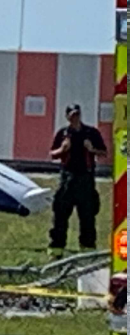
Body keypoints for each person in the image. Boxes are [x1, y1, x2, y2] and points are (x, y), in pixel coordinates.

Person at [48, 104, 107, 257]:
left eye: (77, 115)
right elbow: (52, 154)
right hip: (67, 178)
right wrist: (62, 149)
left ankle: (87, 250)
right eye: (72, 115)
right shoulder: (63, 133)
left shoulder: (91, 132)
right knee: (60, 216)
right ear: (67, 117)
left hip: (85, 179)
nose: (75, 118)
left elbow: (104, 152)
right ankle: (56, 249)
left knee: (87, 217)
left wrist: (92, 149)